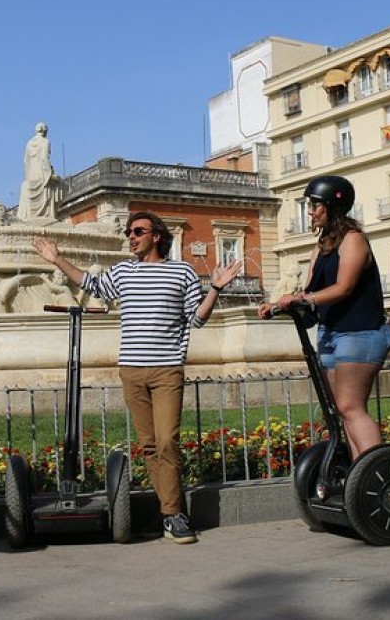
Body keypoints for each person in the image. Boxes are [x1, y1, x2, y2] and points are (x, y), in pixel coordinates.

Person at [32, 212, 243, 545]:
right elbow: (91, 283)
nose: (130, 236)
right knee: (148, 445)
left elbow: (197, 320)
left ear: (156, 236)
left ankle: (172, 513)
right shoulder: (124, 271)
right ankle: (170, 512)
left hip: (167, 370)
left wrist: (215, 288)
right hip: (131, 369)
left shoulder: (181, 271)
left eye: (137, 231)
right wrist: (57, 259)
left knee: (167, 441)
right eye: (129, 231)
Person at [258, 175, 390, 460]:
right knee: (341, 410)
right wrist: (277, 306)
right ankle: (361, 475)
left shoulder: (353, 240)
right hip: (331, 334)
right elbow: (309, 292)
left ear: (333, 206)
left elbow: (343, 288)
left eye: (315, 205)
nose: (310, 211)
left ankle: (378, 472)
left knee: (351, 406)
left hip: (360, 333)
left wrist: (302, 299)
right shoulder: (321, 247)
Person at [19, 122, 61, 220]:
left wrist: (28, 175)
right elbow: (44, 158)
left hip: (31, 175)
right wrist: (50, 175)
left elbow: (25, 161)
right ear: (45, 131)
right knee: (58, 184)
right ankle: (48, 215)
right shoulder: (45, 142)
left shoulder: (29, 143)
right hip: (41, 173)